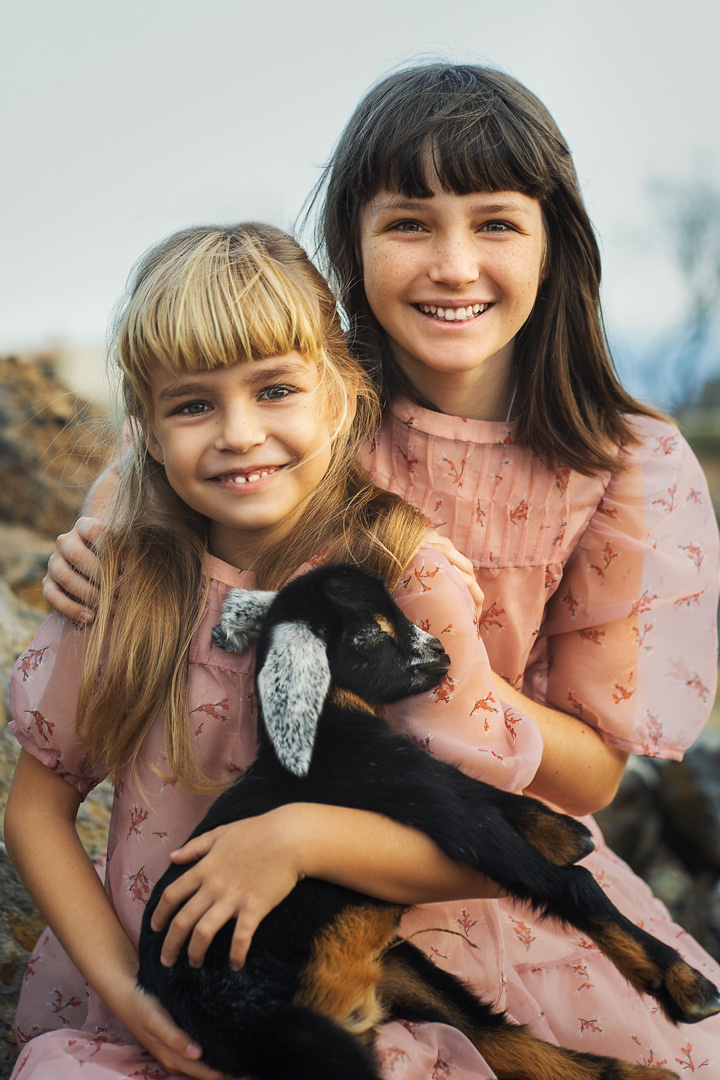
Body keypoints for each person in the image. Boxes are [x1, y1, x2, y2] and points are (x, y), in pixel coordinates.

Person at [35, 63, 720, 1074]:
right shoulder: (289, 413)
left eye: (496, 223)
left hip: (468, 894)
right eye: (408, 224)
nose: (453, 264)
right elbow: (146, 506)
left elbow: (595, 772)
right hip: (238, 928)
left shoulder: (625, 467)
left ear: (555, 240)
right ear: (351, 244)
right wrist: (89, 546)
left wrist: (458, 688)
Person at [5, 221, 546, 1080]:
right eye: (192, 404)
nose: (238, 433)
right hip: (162, 1019)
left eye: (276, 390)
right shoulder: (122, 586)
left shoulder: (402, 582)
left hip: (359, 1014)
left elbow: (488, 848)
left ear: (338, 395)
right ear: (144, 425)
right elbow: (37, 807)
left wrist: (295, 841)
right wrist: (128, 991)